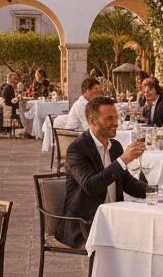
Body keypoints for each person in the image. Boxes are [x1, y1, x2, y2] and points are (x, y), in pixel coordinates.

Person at [57, 95, 147, 249]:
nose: (116, 123)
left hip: (113, 220)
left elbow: (128, 184)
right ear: (92, 121)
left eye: (116, 118)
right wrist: (122, 161)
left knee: (149, 232)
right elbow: (90, 186)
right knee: (133, 241)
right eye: (109, 119)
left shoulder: (115, 147)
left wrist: (159, 192)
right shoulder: (77, 149)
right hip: (84, 225)